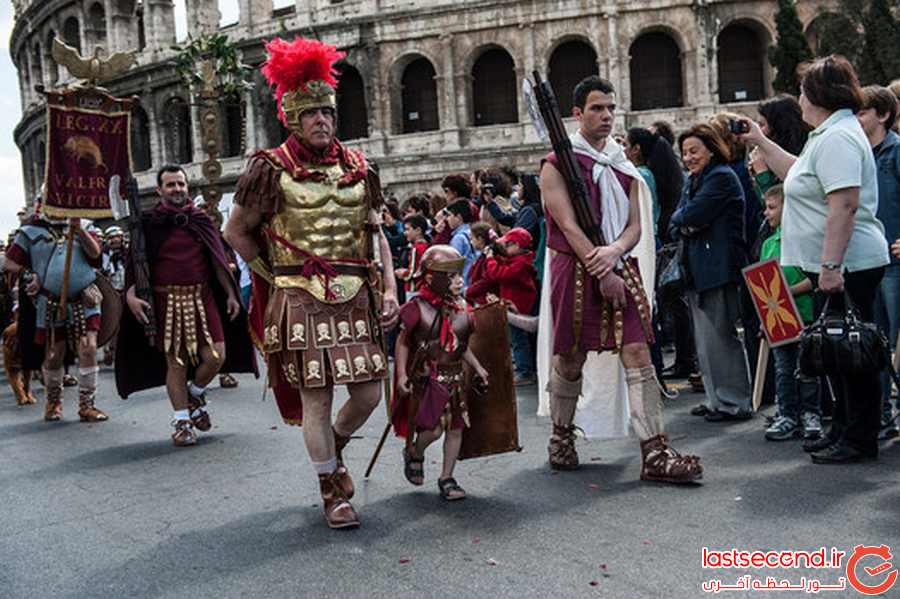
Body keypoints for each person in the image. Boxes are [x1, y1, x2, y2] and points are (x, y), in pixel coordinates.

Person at [224, 36, 399, 529]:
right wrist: (274, 280)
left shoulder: (360, 169)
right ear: (291, 117)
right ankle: (330, 489)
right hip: (298, 296)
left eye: (327, 112)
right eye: (312, 114)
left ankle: (334, 447)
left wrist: (388, 289)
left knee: (367, 395)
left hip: (355, 292)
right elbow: (236, 232)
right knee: (317, 399)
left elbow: (375, 233)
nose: (322, 120)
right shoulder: (269, 169)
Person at [539, 75, 702, 482]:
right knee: (571, 356)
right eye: (597, 108)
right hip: (574, 269)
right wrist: (600, 264)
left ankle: (655, 451)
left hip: (617, 264)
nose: (607, 116)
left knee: (638, 352)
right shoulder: (556, 163)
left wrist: (613, 254)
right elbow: (567, 224)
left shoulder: (622, 163)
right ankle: (561, 436)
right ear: (577, 114)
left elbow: (634, 226)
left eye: (611, 108)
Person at [738, 55, 889, 464]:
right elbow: (797, 174)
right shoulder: (827, 134)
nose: (798, 99)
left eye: (803, 91)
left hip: (848, 263)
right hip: (840, 262)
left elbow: (844, 204)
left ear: (820, 95)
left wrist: (829, 267)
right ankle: (842, 429)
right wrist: (762, 142)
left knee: (851, 354)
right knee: (839, 355)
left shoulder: (838, 137)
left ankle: (858, 438)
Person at [116, 165, 256, 445]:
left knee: (216, 356)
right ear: (159, 190)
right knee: (176, 363)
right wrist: (130, 296)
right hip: (166, 301)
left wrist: (230, 293)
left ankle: (194, 392)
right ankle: (181, 422)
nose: (177, 189)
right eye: (171, 185)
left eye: (180, 184)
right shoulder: (148, 225)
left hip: (202, 298)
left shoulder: (200, 221)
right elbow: (135, 266)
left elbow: (217, 261)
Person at [391, 245, 489, 501]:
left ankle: (447, 477)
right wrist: (402, 375)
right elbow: (402, 341)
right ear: (433, 277)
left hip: (455, 377)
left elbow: (461, 346)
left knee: (456, 429)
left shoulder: (461, 308)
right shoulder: (416, 307)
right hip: (428, 379)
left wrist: (478, 368)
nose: (459, 280)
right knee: (433, 430)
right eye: (452, 276)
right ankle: (415, 452)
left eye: (459, 275)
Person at [670, 124, 751, 421]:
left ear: (712, 149)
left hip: (718, 268)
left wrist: (686, 222)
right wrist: (686, 222)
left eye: (694, 151)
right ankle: (716, 398)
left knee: (721, 337)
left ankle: (734, 402)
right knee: (705, 341)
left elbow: (689, 216)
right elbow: (676, 221)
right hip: (698, 269)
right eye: (685, 153)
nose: (689, 157)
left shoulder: (721, 178)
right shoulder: (694, 180)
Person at [5, 209, 108, 423]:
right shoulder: (30, 232)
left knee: (88, 347)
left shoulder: (85, 225)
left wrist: (78, 228)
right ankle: (53, 402)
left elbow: (96, 254)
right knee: (54, 354)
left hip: (84, 298)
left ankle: (87, 406)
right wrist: (28, 274)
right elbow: (9, 263)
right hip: (50, 301)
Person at [758, 185, 821, 441]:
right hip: (778, 319)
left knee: (807, 368)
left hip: (804, 314)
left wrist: (787, 292)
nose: (766, 213)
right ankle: (787, 414)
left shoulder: (804, 240)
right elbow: (762, 286)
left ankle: (810, 414)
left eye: (772, 207)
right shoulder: (768, 244)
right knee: (783, 368)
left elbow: (813, 280)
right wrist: (765, 316)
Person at [856, 84, 900, 440]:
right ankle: (883, 412)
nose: (856, 119)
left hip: (895, 262)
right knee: (877, 343)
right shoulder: (859, 155)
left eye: (862, 112)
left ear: (882, 115)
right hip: (871, 262)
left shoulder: (896, 152)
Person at [484, 227, 538, 385]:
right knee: (520, 338)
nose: (505, 248)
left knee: (518, 338)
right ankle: (527, 367)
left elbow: (500, 274)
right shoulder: (521, 259)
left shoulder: (521, 263)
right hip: (517, 302)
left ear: (518, 246)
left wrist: (490, 259)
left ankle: (525, 371)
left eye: (508, 245)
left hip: (519, 305)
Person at [395, 214, 430, 299]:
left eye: (407, 229)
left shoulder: (416, 248)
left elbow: (412, 273)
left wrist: (402, 273)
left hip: (413, 289)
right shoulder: (427, 246)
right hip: (423, 288)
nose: (404, 233)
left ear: (418, 230)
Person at [465, 222, 499, 306]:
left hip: (483, 300)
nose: (471, 242)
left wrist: (469, 291)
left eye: (472, 238)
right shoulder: (484, 255)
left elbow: (485, 280)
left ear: (480, 239)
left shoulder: (489, 256)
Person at [444, 199, 477, 285]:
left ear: (458, 217)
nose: (447, 219)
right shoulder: (473, 232)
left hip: (463, 284)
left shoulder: (458, 238)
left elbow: (452, 265)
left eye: (449, 215)